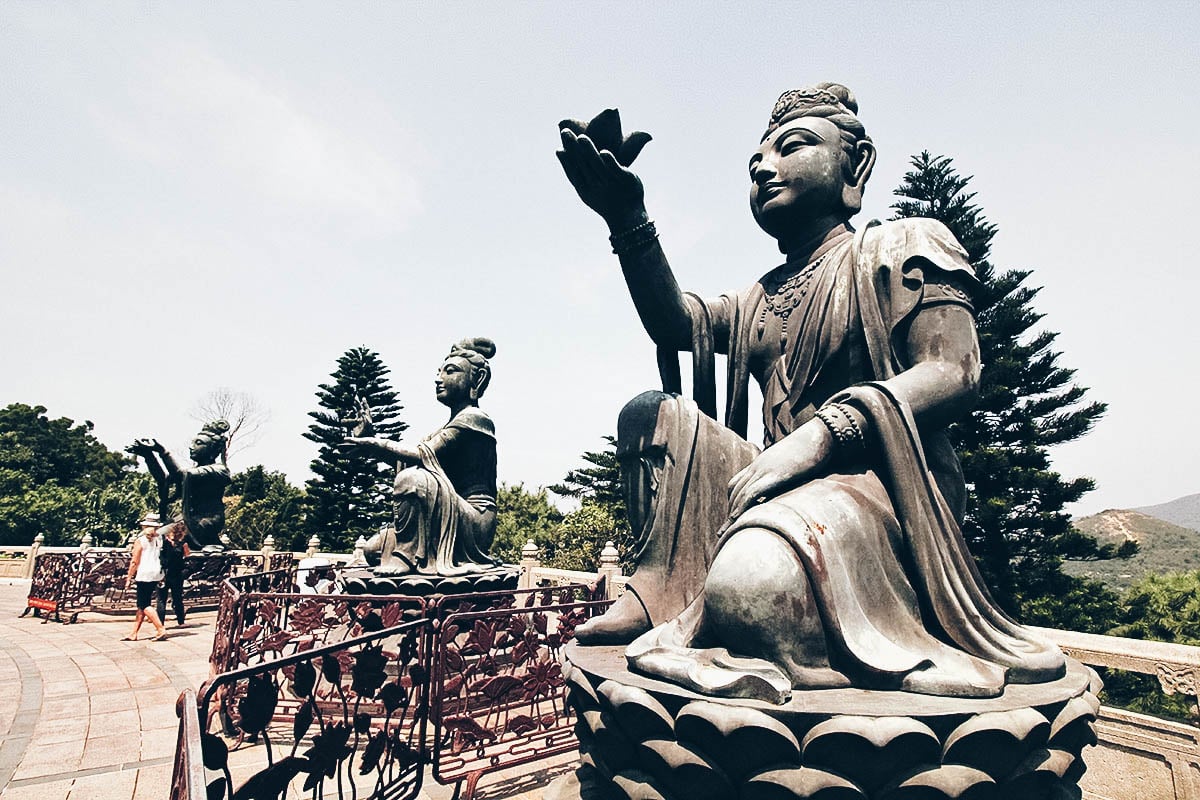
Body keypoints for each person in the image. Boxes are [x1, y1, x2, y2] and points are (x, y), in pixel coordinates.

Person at [556, 84, 1065, 702]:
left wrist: (823, 436)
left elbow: (953, 370)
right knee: (650, 415)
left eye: (792, 147)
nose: (764, 168)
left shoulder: (899, 247)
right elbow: (677, 324)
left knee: (752, 584)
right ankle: (660, 584)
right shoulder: (761, 297)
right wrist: (627, 220)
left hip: (876, 484)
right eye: (753, 165)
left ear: (857, 165)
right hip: (777, 483)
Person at [341, 338, 500, 576]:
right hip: (444, 514)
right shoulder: (446, 427)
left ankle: (406, 556)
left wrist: (376, 444)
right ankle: (409, 552)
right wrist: (370, 437)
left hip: (473, 520)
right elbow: (407, 459)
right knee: (374, 549)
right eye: (439, 372)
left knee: (412, 480)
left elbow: (420, 456)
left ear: (475, 379)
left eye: (450, 371)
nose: (439, 379)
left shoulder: (475, 418)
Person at [127, 420, 232, 550]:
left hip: (204, 522)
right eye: (193, 442)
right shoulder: (193, 472)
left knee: (156, 538)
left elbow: (180, 474)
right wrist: (148, 456)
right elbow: (164, 479)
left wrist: (163, 452)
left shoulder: (218, 470)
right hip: (186, 520)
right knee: (145, 536)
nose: (192, 446)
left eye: (199, 443)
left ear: (213, 449)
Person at [124, 514, 168, 641]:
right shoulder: (159, 539)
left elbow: (134, 561)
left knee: (144, 604)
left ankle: (160, 628)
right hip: (156, 572)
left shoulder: (141, 540)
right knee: (142, 604)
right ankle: (134, 633)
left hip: (144, 573)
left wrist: (129, 577)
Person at [156, 521, 190, 627]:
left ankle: (160, 623)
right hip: (177, 574)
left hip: (163, 574)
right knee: (178, 598)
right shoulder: (183, 544)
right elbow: (187, 556)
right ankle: (181, 621)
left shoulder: (163, 543)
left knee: (161, 600)